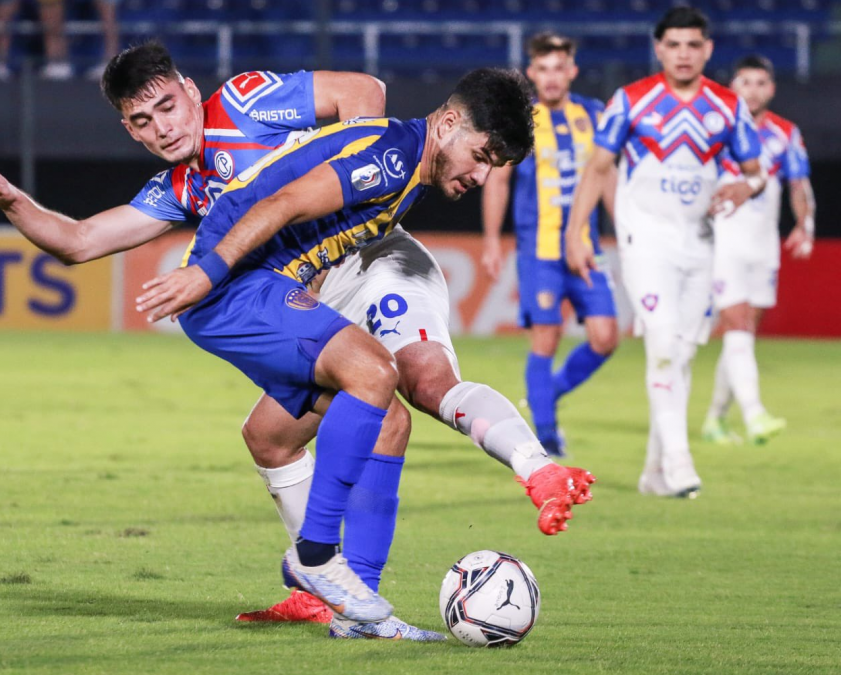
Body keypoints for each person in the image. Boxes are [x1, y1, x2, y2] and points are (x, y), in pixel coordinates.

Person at [0, 46, 591, 639]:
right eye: (142, 122)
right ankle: (327, 579)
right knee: (318, 417)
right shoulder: (184, 189)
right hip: (269, 274)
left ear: (190, 89)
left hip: (359, 257)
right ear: (130, 130)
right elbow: (81, 241)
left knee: (410, 385)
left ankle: (516, 482)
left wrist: (354, 165)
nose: (162, 129)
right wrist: (15, 202)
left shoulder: (247, 105)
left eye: (168, 108)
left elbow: (363, 92)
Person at [128, 67, 539, 625]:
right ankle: (316, 557)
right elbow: (286, 202)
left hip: (257, 282)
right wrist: (206, 273)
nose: (482, 175)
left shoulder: (404, 164)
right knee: (374, 372)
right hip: (236, 284)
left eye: (495, 166)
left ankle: (359, 612)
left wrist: (15, 205)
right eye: (483, 155)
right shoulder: (392, 158)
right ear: (447, 124)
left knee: (377, 418)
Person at [565, 7, 764, 498]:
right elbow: (597, 167)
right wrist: (576, 233)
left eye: (692, 45)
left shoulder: (729, 107)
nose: (683, 53)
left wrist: (746, 187)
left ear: (707, 50)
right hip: (645, 241)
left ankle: (654, 472)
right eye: (673, 44)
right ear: (659, 49)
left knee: (685, 352)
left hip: (699, 243)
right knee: (661, 343)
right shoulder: (632, 101)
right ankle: (679, 462)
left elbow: (756, 170)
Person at [481, 31, 618, 457]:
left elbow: (608, 176)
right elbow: (498, 181)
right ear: (532, 73)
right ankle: (546, 434)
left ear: (572, 70)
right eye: (544, 69)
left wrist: (625, 233)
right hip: (538, 252)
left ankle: (546, 394)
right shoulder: (521, 122)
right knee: (546, 336)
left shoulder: (594, 114)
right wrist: (490, 240)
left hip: (585, 249)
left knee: (605, 337)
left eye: (560, 68)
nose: (552, 77)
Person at [701, 54, 814, 445]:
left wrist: (805, 224)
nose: (752, 89)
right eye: (745, 81)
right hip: (722, 241)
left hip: (763, 246)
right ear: (733, 86)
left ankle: (715, 419)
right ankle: (754, 414)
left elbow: (799, 185)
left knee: (744, 333)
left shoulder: (785, 133)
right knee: (736, 325)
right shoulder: (714, 129)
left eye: (760, 82)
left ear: (772, 88)